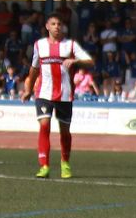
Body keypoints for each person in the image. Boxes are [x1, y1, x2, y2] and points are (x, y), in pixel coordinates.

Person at [20, 13, 94, 179]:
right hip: (44, 92)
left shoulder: (70, 45)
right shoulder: (39, 45)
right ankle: (44, 165)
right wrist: (28, 89)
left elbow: (90, 61)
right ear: (47, 26)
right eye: (53, 24)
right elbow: (34, 69)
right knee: (44, 125)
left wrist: (75, 61)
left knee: (64, 131)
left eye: (59, 24)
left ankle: (65, 163)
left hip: (64, 94)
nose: (56, 27)